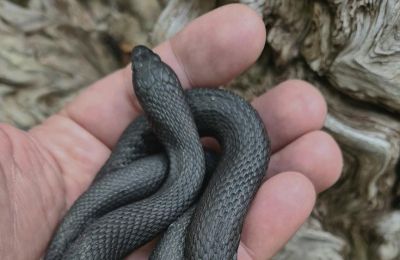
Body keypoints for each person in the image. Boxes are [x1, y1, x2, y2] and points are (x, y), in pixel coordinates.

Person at [0, 4, 342, 260]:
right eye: (140, 72)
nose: (139, 57)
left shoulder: (231, 130)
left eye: (146, 69)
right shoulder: (184, 166)